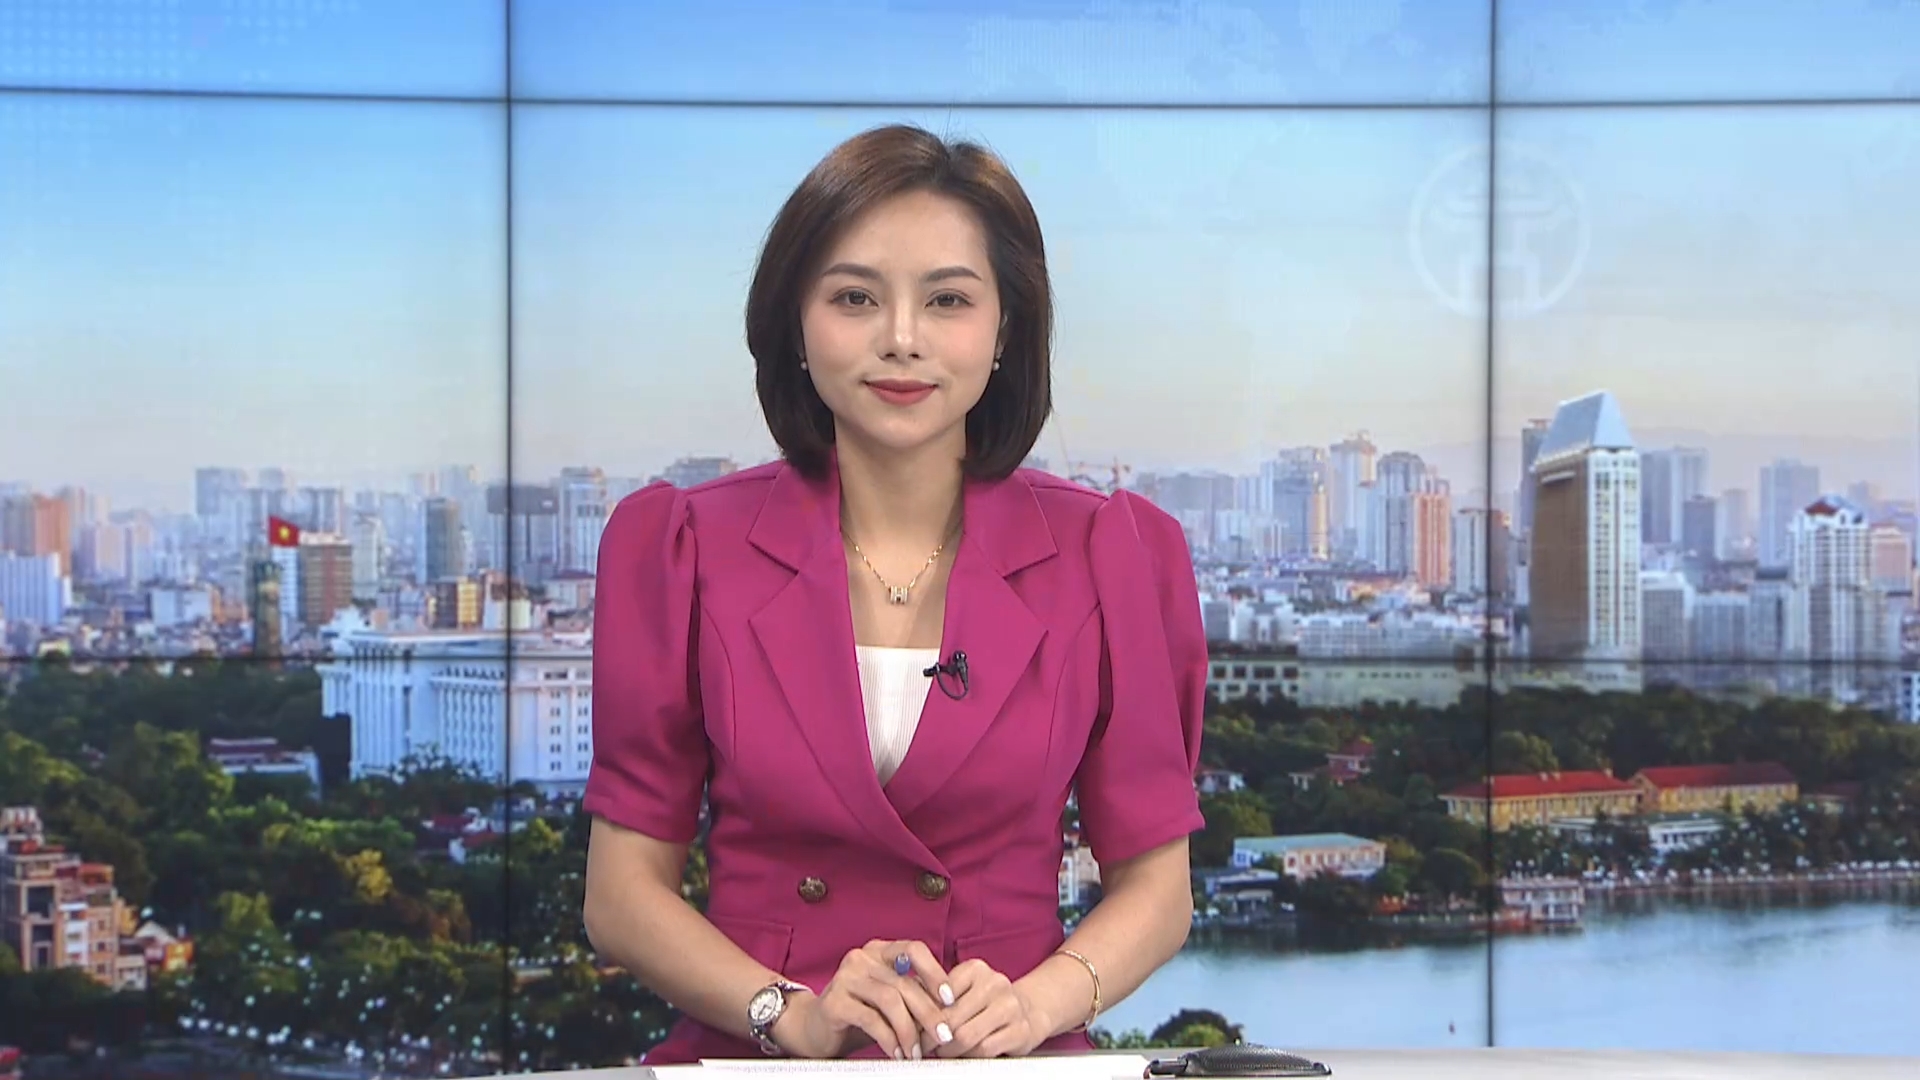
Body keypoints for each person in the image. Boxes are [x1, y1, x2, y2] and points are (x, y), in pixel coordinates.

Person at [581, 123, 1207, 1064]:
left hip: (1003, 1060)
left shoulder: (1107, 556)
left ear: (1005, 329)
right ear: (796, 324)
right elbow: (621, 895)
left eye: (948, 299)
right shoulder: (684, 549)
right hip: (763, 1059)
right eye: (855, 298)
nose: (902, 339)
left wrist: (1034, 1005)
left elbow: (1159, 891)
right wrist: (790, 1012)